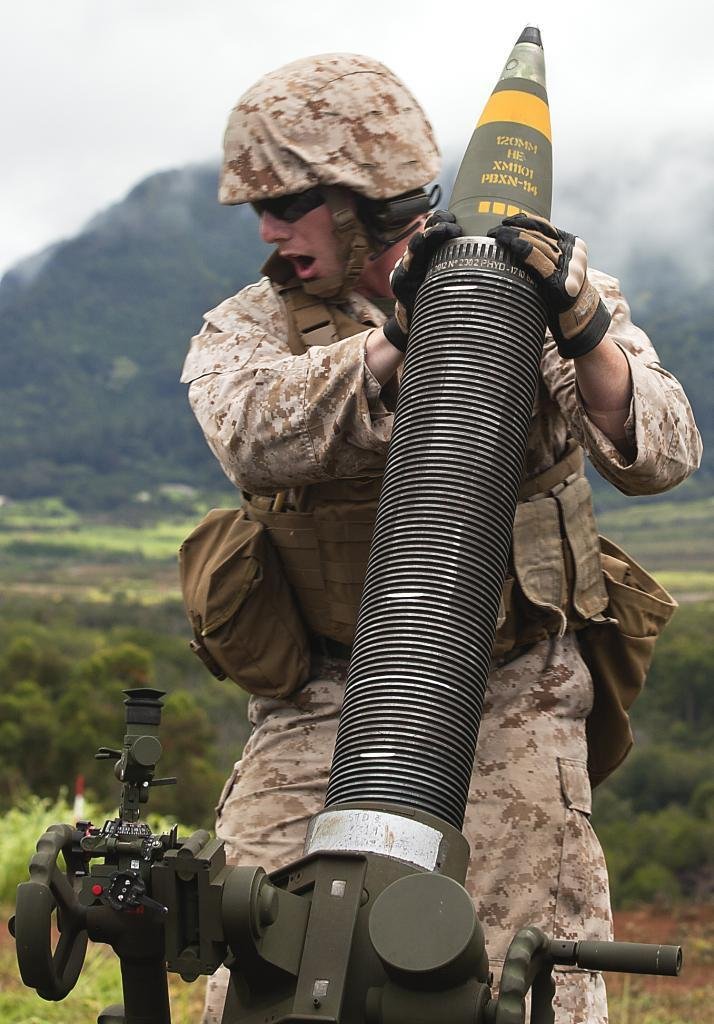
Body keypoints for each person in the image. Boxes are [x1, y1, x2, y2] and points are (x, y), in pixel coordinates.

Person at [181, 53, 702, 1024]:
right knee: (267, 965)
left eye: (289, 204)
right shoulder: (253, 327)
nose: (266, 232)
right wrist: (401, 341)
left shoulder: (542, 290)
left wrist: (582, 329)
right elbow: (250, 435)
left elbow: (661, 452)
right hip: (323, 701)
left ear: (361, 196)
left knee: (526, 973)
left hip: (514, 690)